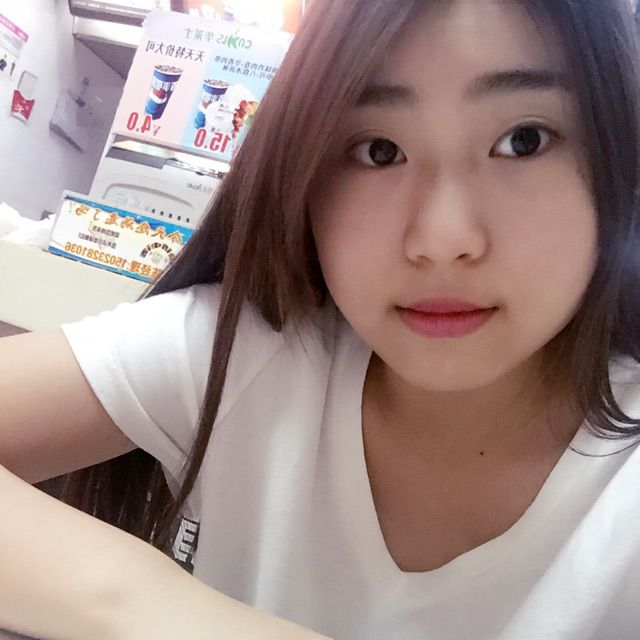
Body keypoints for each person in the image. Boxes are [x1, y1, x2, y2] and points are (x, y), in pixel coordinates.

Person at [2, 0, 640, 638]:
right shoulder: (242, 355)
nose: (442, 239)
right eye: (380, 151)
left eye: (523, 141)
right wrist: (154, 606)